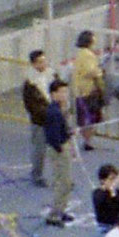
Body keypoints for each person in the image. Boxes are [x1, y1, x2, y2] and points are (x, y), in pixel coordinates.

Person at [43, 78, 76, 226]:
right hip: (59, 150)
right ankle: (55, 214)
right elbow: (53, 135)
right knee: (62, 182)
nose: (65, 95)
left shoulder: (59, 110)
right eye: (61, 92)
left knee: (66, 182)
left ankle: (61, 210)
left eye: (66, 92)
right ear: (53, 94)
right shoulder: (54, 112)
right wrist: (62, 147)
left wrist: (68, 133)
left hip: (62, 146)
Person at [21, 49, 51, 186]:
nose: (43, 64)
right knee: (39, 149)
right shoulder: (29, 83)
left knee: (59, 150)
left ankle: (60, 177)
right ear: (33, 64)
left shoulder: (51, 74)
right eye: (40, 62)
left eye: (44, 60)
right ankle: (36, 175)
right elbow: (32, 107)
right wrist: (48, 114)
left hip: (53, 117)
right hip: (40, 121)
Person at [70, 30, 104, 150]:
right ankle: (88, 141)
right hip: (88, 90)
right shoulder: (88, 55)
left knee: (85, 117)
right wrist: (99, 72)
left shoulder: (80, 54)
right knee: (91, 117)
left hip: (79, 90)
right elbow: (90, 72)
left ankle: (87, 139)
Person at [92, 164, 119, 230]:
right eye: (111, 179)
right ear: (102, 180)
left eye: (115, 179)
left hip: (118, 227)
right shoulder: (98, 193)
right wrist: (112, 189)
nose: (114, 182)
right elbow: (112, 206)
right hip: (104, 228)